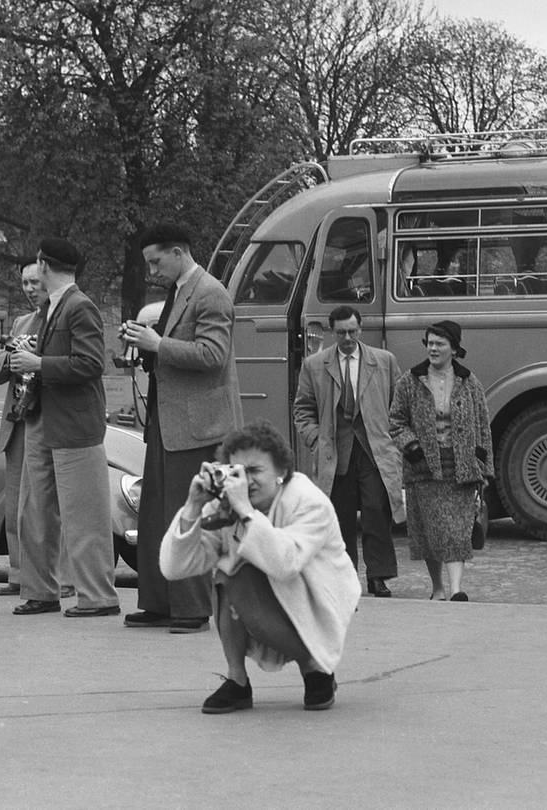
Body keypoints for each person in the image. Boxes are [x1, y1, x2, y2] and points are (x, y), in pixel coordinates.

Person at [159, 422, 359, 713]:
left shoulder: (309, 501)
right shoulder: (226, 503)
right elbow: (174, 568)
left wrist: (246, 512)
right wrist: (192, 507)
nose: (245, 480)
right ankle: (237, 681)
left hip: (318, 599)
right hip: (265, 593)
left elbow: (286, 564)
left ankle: (314, 666)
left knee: (237, 568)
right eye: (236, 471)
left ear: (281, 472)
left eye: (254, 471)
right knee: (226, 574)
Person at [121, 223, 242, 634]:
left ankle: (191, 608)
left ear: (178, 252)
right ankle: (158, 601)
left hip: (197, 428)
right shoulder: (177, 292)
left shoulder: (211, 293)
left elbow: (213, 354)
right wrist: (146, 348)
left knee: (187, 515)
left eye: (156, 261)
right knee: (156, 514)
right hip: (168, 422)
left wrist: (157, 345)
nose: (152, 270)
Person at [8, 237, 120, 618]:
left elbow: (90, 364)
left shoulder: (79, 306)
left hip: (74, 425)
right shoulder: (58, 306)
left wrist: (37, 364)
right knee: (34, 511)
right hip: (44, 420)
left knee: (84, 514)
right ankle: (41, 591)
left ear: (43, 264)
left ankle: (98, 597)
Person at [292, 306, 405, 597]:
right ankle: (344, 575)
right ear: (332, 332)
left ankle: (379, 576)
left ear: (361, 328)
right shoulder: (315, 365)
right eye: (341, 332)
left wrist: (392, 440)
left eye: (352, 331)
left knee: (376, 511)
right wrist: (317, 440)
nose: (347, 338)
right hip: (335, 451)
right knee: (339, 516)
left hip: (373, 449)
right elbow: (302, 409)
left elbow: (400, 406)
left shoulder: (384, 361)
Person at [390, 320, 493, 602]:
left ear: (454, 349)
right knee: (430, 532)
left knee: (455, 531)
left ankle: (457, 590)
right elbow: (396, 422)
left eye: (439, 343)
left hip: (461, 468)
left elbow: (483, 425)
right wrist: (412, 449)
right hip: (424, 468)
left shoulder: (470, 383)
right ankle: (437, 587)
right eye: (430, 343)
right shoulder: (409, 382)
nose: (433, 348)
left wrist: (484, 467)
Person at [0, 262, 72, 598]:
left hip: (51, 421)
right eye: (23, 282)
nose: (29, 288)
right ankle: (19, 573)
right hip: (19, 423)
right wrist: (12, 356)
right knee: (16, 506)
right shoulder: (21, 322)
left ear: (49, 281)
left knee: (51, 506)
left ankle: (59, 578)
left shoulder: (63, 318)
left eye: (35, 281)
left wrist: (38, 355)